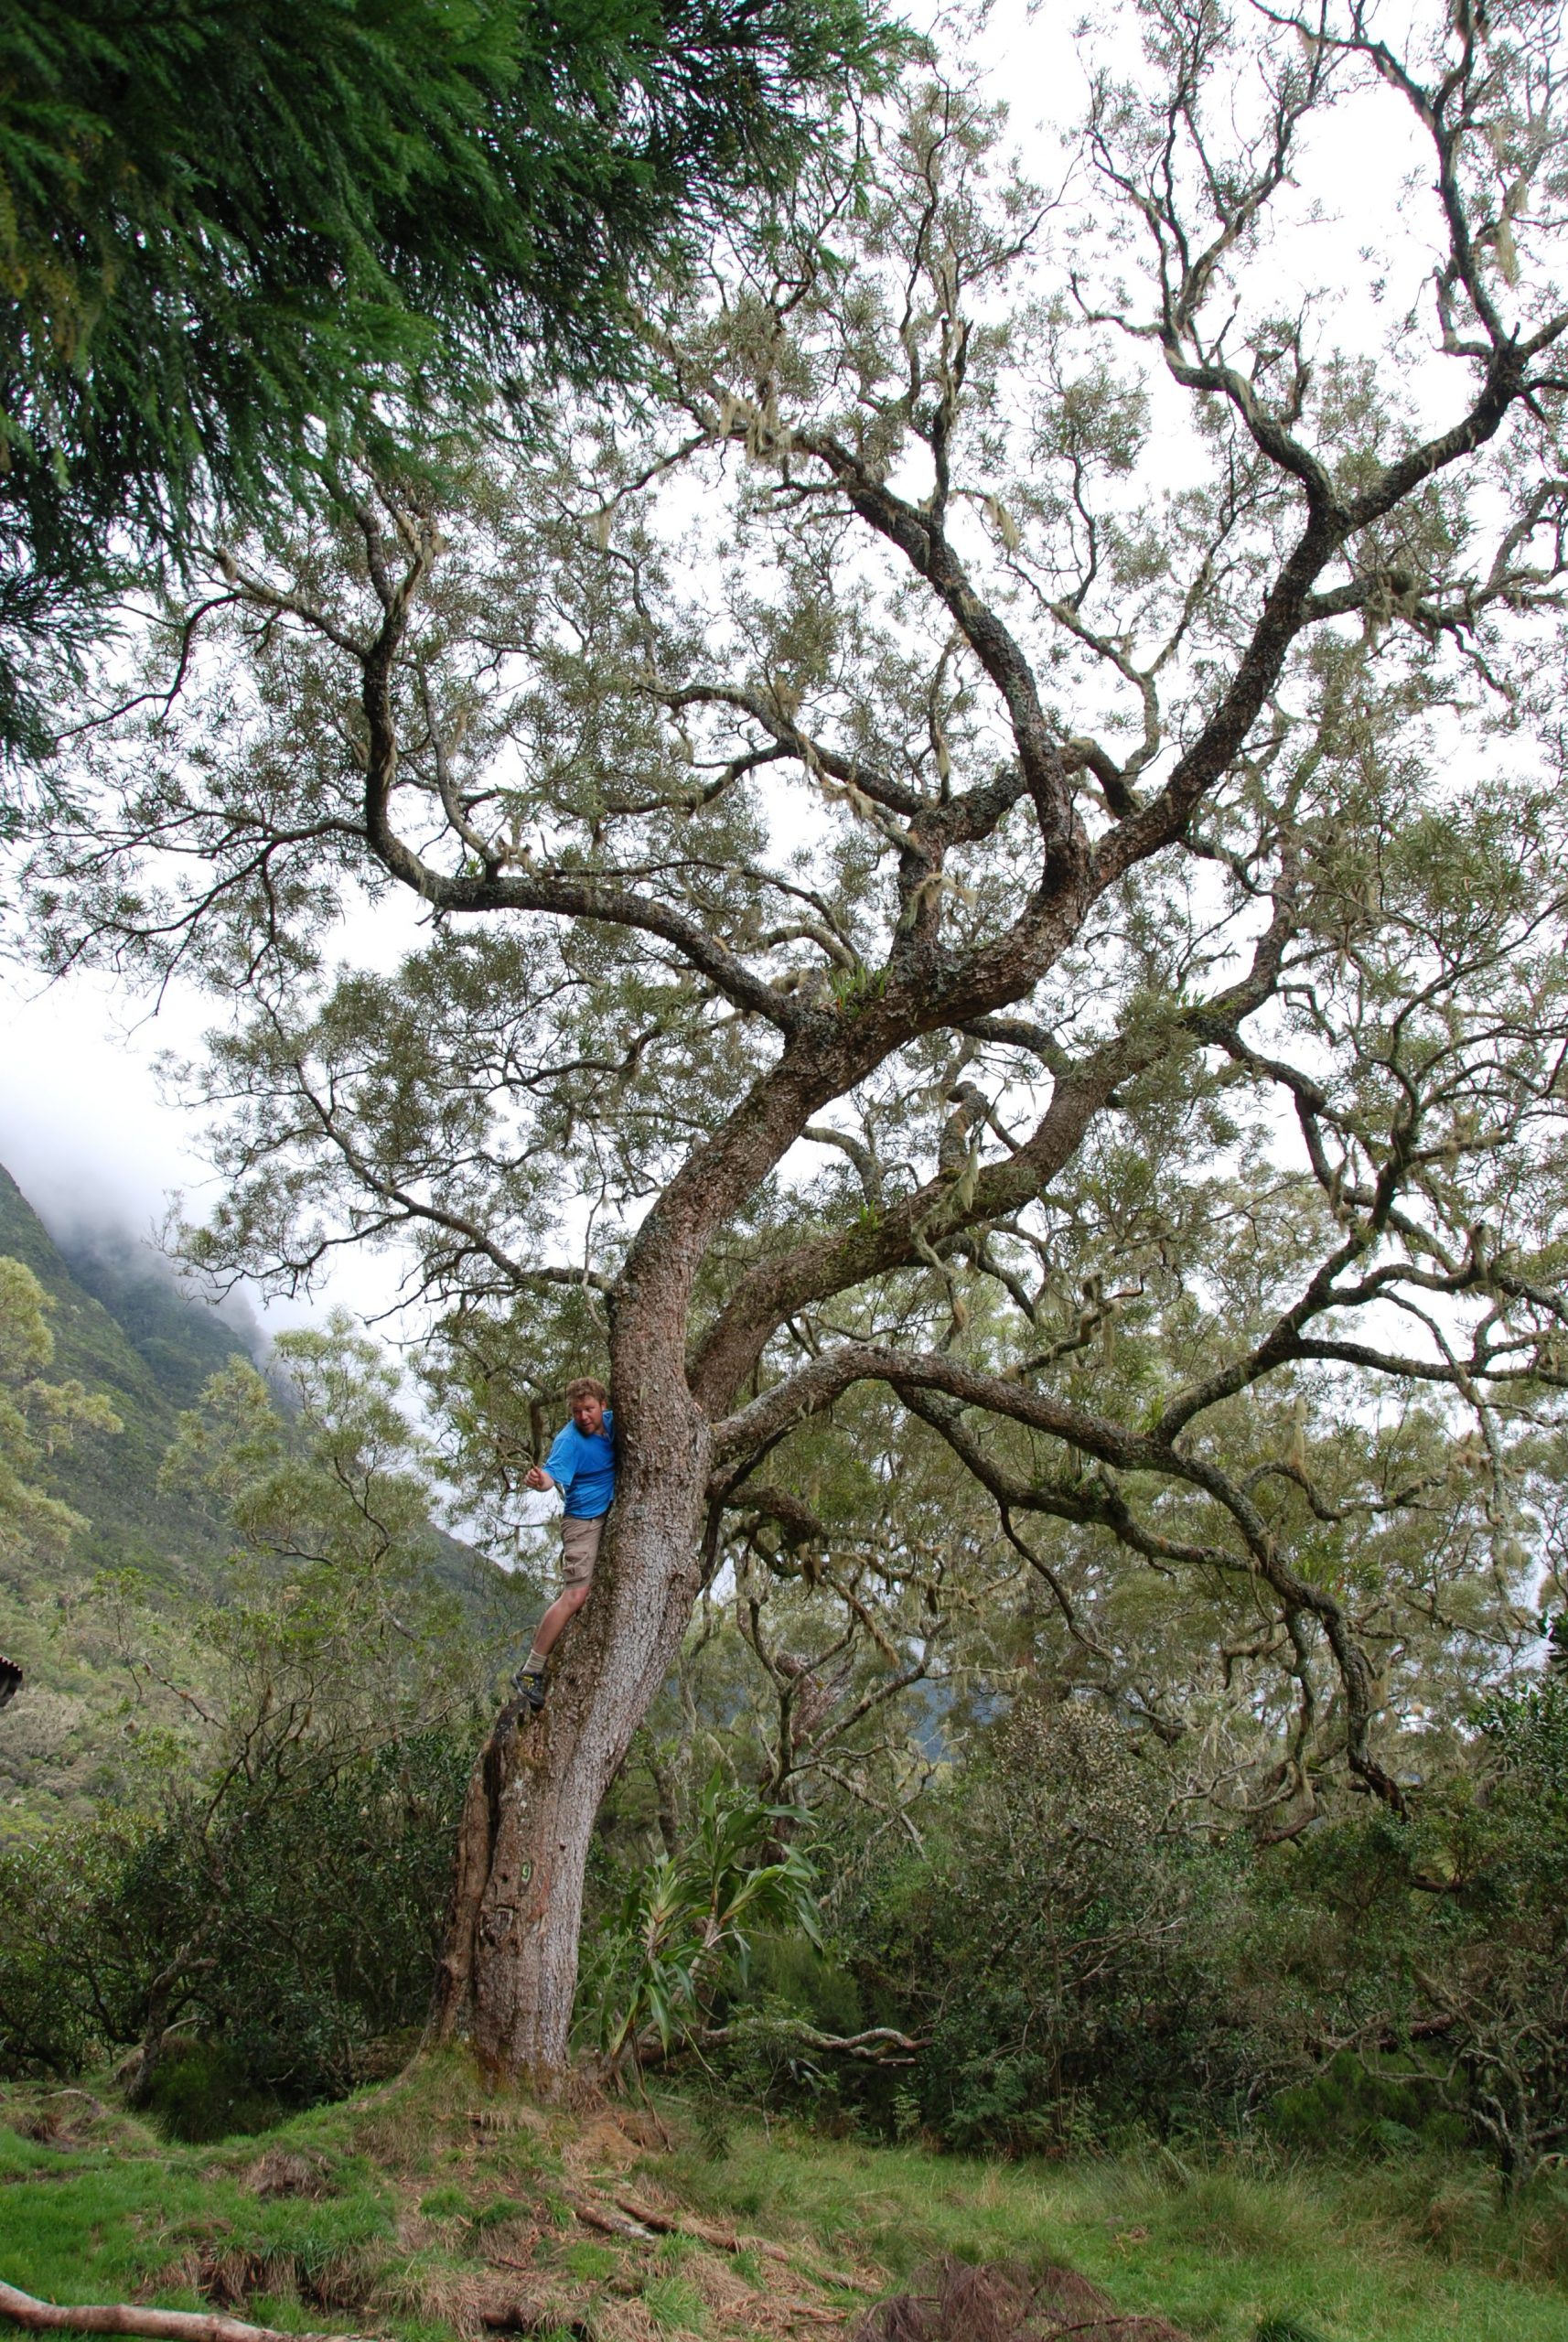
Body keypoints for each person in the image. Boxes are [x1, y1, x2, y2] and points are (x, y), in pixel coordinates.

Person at [511, 1377, 616, 1713]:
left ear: (603, 1405)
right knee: (575, 1596)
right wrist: (539, 1480)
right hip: (582, 1522)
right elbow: (550, 1478)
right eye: (576, 1411)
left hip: (607, 1515)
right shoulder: (568, 1441)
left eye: (588, 1409)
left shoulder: (614, 1424)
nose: (583, 1416)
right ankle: (531, 1670)